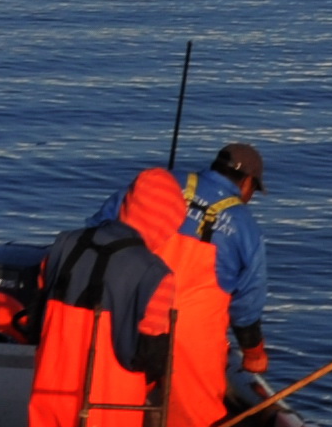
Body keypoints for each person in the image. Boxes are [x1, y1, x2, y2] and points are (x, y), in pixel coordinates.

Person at [26, 166, 230, 427]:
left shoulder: (63, 244)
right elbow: (151, 355)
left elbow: (35, 321)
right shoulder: (157, 274)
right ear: (166, 221)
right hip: (112, 403)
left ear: (128, 204)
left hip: (51, 387)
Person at [92, 140, 272, 378]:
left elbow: (97, 230)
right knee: (195, 401)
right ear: (247, 182)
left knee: (115, 388)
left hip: (124, 319)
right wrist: (254, 354)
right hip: (191, 344)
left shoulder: (155, 185)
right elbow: (247, 303)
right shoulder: (245, 226)